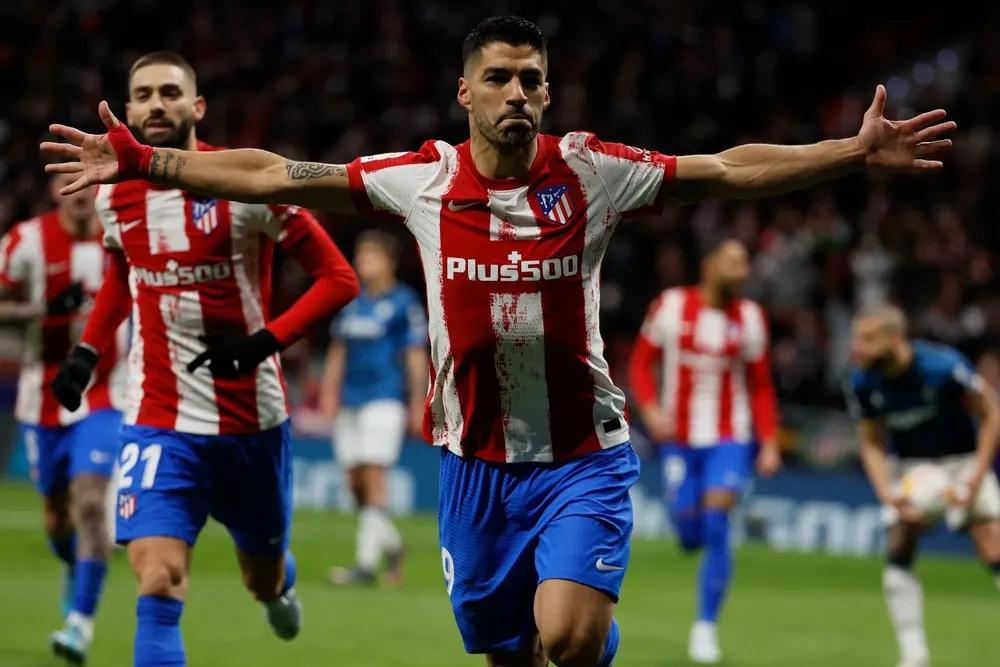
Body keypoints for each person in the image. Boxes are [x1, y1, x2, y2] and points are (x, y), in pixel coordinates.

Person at [41, 16, 955, 667]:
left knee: (568, 635)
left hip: (581, 457)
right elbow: (278, 173)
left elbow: (724, 171)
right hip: (473, 462)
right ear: (465, 92)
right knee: (506, 644)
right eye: (499, 78)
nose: (517, 93)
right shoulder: (421, 182)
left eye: (532, 79)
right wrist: (149, 160)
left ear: (547, 91)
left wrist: (845, 151)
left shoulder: (592, 171)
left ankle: (591, 633)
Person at [44, 51, 360, 667]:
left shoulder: (249, 181)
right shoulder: (116, 194)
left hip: (251, 421)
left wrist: (265, 342)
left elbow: (338, 279)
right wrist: (88, 350)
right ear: (129, 109)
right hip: (159, 415)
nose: (156, 104)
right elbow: (121, 270)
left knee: (260, 577)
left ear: (198, 107)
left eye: (170, 92)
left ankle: (278, 585)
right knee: (157, 579)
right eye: (144, 94)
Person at [627, 235, 780, 664]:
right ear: (710, 264)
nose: (743, 270)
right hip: (679, 440)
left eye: (746, 262)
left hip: (731, 437)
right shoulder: (671, 306)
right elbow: (641, 363)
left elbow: (761, 385)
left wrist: (768, 441)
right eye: (735, 260)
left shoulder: (751, 317)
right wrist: (652, 409)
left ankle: (705, 627)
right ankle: (691, 535)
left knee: (717, 524)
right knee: (689, 532)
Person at [0, 170, 127, 663]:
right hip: (43, 398)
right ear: (55, 190)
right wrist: (44, 309)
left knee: (92, 502)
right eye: (70, 186)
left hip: (105, 395)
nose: (82, 196)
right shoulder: (25, 241)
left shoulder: (124, 238)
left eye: (90, 185)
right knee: (57, 519)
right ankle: (74, 565)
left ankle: (80, 623)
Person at [844, 305, 1000, 667]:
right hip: (911, 469)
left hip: (962, 460)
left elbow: (991, 413)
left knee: (993, 541)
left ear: (895, 338)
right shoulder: (862, 379)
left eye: (867, 339)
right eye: (856, 338)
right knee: (899, 542)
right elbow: (870, 440)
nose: (857, 348)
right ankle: (914, 654)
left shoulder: (943, 367)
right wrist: (887, 493)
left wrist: (976, 474)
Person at [319, 229, 428, 587]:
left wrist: (418, 403)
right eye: (360, 256)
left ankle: (365, 566)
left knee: (373, 478)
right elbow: (337, 351)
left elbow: (414, 356)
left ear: (389, 262)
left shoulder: (403, 303)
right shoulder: (352, 302)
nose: (362, 263)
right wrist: (329, 391)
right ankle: (394, 545)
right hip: (351, 400)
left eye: (370, 256)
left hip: (384, 399)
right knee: (355, 485)